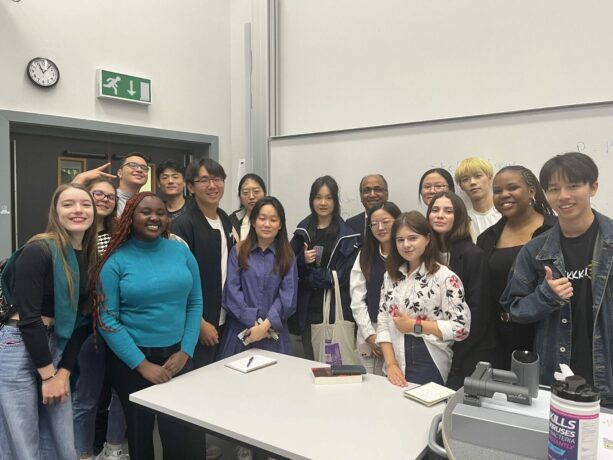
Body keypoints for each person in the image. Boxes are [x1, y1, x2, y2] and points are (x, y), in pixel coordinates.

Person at [94, 192, 203, 459]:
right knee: (140, 437)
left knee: (180, 434)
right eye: (146, 212)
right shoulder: (115, 260)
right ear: (130, 218)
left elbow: (195, 303)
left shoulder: (181, 251)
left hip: (178, 356)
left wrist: (186, 351)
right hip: (133, 362)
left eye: (160, 213)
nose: (154, 217)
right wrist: (142, 365)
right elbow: (106, 318)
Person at [501, 153, 613, 406]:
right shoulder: (535, 251)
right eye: (554, 189)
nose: (563, 196)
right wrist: (545, 297)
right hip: (557, 380)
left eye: (573, 186)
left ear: (593, 187)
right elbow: (513, 308)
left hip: (607, 379)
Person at [0, 184, 98, 459]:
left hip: (58, 344)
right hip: (19, 344)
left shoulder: (89, 256)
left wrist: (63, 373)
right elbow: (29, 318)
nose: (78, 210)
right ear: (55, 211)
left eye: (85, 204)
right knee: (21, 440)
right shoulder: (38, 250)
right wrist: (48, 375)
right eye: (68, 204)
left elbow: (82, 321)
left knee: (60, 437)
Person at [377, 211, 470, 387]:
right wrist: (391, 364)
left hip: (427, 357)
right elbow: (383, 321)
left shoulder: (445, 278)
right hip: (393, 357)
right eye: (400, 240)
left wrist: (415, 325)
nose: (406, 245)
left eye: (413, 238)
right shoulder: (390, 276)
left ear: (427, 239)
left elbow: (461, 328)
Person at [71, 178, 128, 460]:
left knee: (120, 392)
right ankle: (82, 453)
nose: (105, 199)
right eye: (98, 194)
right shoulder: (77, 234)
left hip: (121, 324)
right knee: (87, 394)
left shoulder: (122, 235)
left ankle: (113, 448)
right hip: (88, 325)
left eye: (110, 196)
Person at [478, 165, 555, 370]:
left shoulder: (556, 230)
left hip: (546, 334)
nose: (504, 195)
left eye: (512, 188)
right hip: (499, 338)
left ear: (531, 191)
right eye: (497, 191)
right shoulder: (487, 238)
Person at [426, 191, 494, 389]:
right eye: (435, 210)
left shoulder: (473, 254)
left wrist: (458, 346)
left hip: (468, 349)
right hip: (435, 346)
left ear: (459, 217)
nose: (440, 215)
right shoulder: (424, 254)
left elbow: (479, 309)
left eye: (448, 211)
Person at [289, 175, 360, 360]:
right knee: (311, 363)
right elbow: (288, 267)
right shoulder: (302, 232)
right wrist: (302, 260)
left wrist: (310, 277)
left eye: (328, 198)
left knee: (335, 365)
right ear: (311, 200)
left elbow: (343, 277)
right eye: (318, 197)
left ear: (335, 201)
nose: (323, 203)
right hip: (307, 310)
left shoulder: (348, 236)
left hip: (336, 310)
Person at [220, 196, 297, 357]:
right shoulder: (238, 251)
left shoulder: (287, 255)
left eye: (273, 220)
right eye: (262, 218)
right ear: (254, 222)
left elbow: (288, 297)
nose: (267, 224)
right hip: (242, 332)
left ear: (280, 225)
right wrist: (252, 322)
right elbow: (232, 292)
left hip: (273, 335)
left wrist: (264, 327)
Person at [350, 201, 401, 375]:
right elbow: (357, 299)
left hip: (399, 331)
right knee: (370, 381)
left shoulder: (408, 254)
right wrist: (369, 335)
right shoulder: (365, 255)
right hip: (370, 328)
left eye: (386, 222)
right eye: (374, 224)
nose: (380, 228)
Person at [454, 157, 501, 236]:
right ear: (461, 186)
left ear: (490, 179)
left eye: (478, 176)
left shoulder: (505, 213)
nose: (472, 182)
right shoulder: (463, 222)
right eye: (465, 179)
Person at [345, 174, 389, 241]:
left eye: (377, 190)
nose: (372, 195)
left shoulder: (398, 221)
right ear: (361, 195)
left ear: (386, 194)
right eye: (367, 191)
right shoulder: (350, 225)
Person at [229, 173, 267, 241]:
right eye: (245, 192)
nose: (251, 197)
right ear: (240, 198)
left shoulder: (274, 217)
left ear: (265, 194)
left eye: (256, 191)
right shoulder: (232, 220)